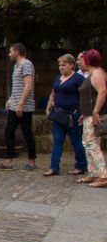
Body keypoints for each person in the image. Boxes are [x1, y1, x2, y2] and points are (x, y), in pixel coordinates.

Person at [43, 54, 86, 177]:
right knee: (57, 141)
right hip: (58, 115)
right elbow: (53, 94)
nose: (61, 67)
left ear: (72, 65)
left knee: (76, 142)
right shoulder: (57, 78)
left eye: (64, 64)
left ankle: (81, 165)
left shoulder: (78, 78)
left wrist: (82, 112)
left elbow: (84, 96)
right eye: (60, 65)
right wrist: (48, 108)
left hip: (73, 116)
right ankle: (54, 167)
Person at [0, 43, 37, 171]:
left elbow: (28, 85)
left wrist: (20, 104)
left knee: (27, 133)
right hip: (15, 105)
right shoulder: (16, 66)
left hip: (24, 106)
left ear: (16, 52)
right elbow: (18, 86)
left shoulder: (26, 64)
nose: (9, 54)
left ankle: (32, 161)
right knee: (9, 131)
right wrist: (11, 99)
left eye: (10, 51)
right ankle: (9, 160)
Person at [76, 49, 107, 188]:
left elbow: (102, 92)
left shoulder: (97, 73)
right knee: (87, 144)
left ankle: (103, 175)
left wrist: (95, 112)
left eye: (81, 59)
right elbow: (91, 96)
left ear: (87, 60)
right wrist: (86, 113)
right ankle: (93, 173)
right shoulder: (91, 74)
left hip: (94, 116)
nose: (79, 62)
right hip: (89, 115)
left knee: (93, 145)